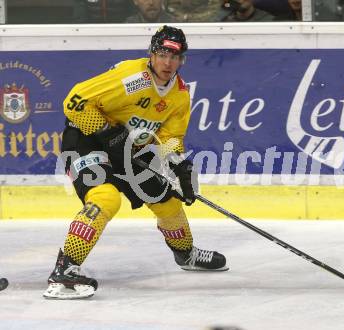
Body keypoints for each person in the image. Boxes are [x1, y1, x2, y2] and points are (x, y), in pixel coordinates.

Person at [43, 25, 228, 300]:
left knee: (168, 201)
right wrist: (106, 132)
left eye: (175, 57)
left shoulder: (179, 94)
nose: (168, 63)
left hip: (126, 148)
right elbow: (74, 102)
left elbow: (170, 137)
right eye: (163, 54)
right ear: (152, 54)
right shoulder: (132, 76)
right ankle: (65, 270)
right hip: (86, 140)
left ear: (183, 60)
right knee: (105, 199)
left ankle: (186, 254)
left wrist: (179, 165)